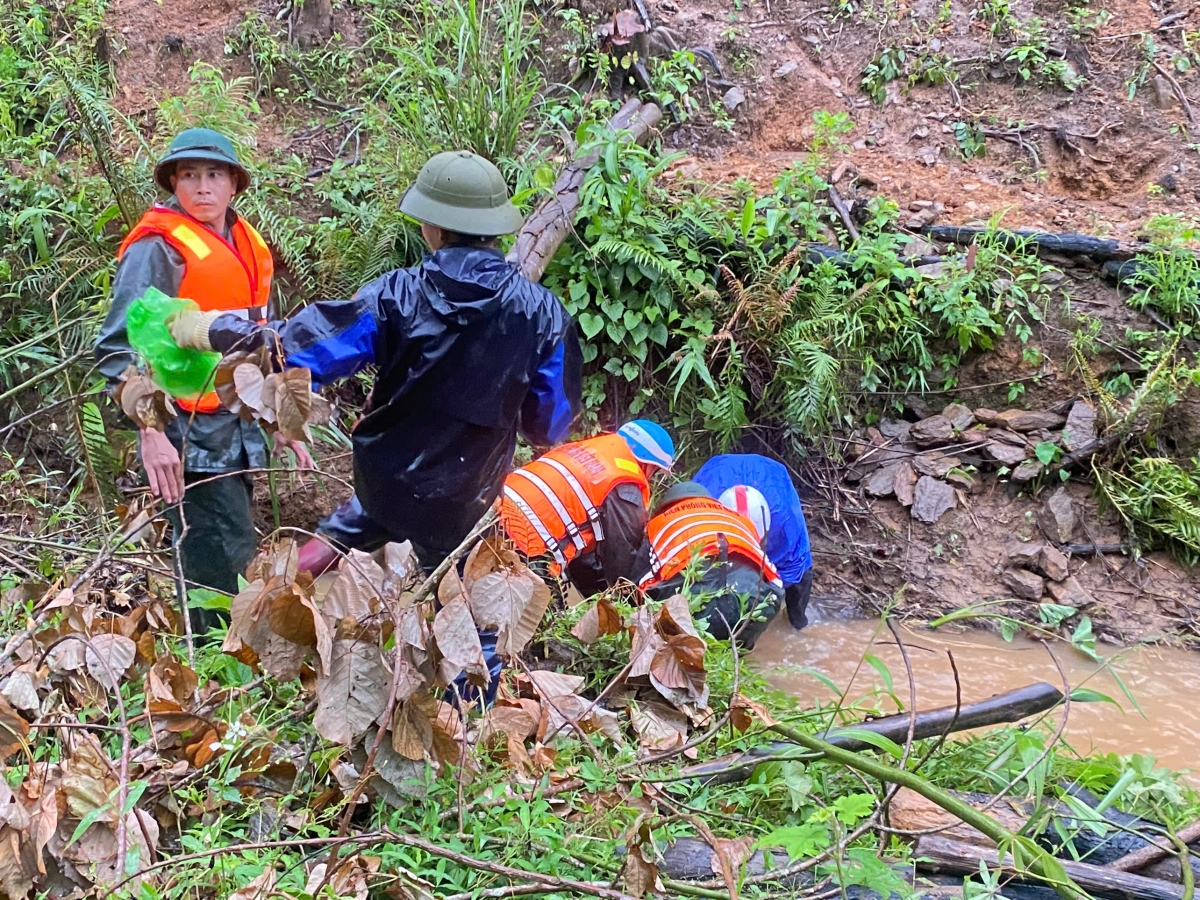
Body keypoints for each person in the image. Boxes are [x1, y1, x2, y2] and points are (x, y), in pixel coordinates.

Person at [167, 149, 582, 575]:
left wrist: (212, 328)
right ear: (496, 230)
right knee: (463, 597)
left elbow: (296, 348)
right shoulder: (544, 314)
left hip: (387, 482)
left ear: (432, 228)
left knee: (348, 530)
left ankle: (267, 599)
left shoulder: (395, 296)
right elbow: (548, 425)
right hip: (469, 496)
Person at [94, 128, 311, 632]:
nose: (202, 187)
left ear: (234, 183)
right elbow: (118, 347)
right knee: (222, 563)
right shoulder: (157, 249)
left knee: (225, 552)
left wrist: (280, 415)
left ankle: (229, 669)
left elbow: (262, 335)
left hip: (233, 423)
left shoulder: (246, 242)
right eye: (189, 175)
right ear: (173, 182)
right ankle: (226, 680)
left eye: (214, 174)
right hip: (185, 432)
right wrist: (151, 433)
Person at [499, 420, 674, 596]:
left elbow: (585, 556)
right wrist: (631, 603)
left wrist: (593, 590)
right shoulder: (624, 483)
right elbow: (623, 563)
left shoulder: (587, 448)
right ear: (648, 462)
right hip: (526, 544)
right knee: (545, 617)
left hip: (494, 508)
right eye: (656, 471)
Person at [639, 482, 783, 649]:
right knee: (734, 653)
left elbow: (642, 581)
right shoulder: (740, 520)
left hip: (695, 594)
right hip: (754, 597)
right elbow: (776, 583)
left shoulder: (658, 524)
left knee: (688, 654)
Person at [693, 453, 815, 629]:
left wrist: (768, 593)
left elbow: (795, 566)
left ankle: (798, 623)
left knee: (798, 577)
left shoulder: (786, 524)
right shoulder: (702, 511)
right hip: (720, 471)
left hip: (772, 479)